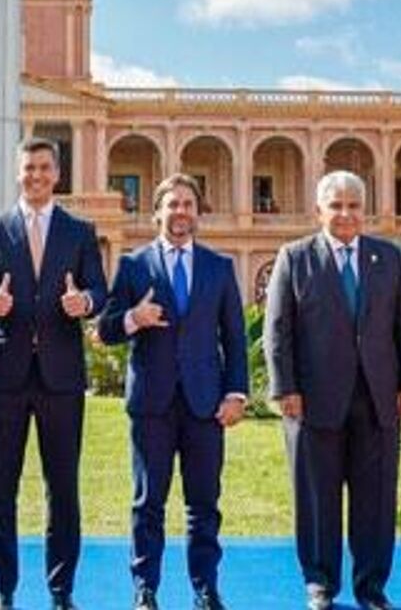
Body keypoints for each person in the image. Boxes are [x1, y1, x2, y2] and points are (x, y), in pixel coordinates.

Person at [264, 170, 401, 610]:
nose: (345, 213)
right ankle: (320, 583)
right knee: (317, 497)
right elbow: (277, 330)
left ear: (364, 210)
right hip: (313, 400)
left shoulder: (387, 258)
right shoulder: (294, 257)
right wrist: (285, 388)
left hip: (378, 398)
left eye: (354, 205)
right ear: (319, 211)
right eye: (335, 205)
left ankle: (371, 587)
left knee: (375, 499)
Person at [0, 137, 108, 610]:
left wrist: (82, 302)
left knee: (62, 489)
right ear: (18, 173)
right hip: (4, 374)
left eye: (44, 168)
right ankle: (2, 590)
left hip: (61, 377)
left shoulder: (80, 231)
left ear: (57, 173)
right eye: (28, 168)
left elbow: (99, 291)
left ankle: (61, 590)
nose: (36, 176)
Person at [97, 173, 249, 610]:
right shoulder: (133, 265)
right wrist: (132, 319)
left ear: (197, 213)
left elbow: (234, 337)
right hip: (152, 403)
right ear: (156, 212)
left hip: (205, 404)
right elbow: (106, 329)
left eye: (188, 204)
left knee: (204, 504)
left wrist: (236, 392)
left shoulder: (219, 267)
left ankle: (205, 589)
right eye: (172, 204)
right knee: (148, 502)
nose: (180, 211)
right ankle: (145, 589)